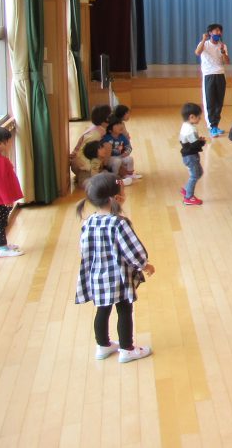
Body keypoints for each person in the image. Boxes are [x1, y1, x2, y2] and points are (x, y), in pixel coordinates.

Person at [75, 173, 155, 363]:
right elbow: (133, 250)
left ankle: (102, 345)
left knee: (102, 310)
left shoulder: (89, 222)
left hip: (97, 275)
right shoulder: (119, 223)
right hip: (117, 276)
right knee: (124, 311)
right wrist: (144, 264)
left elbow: (84, 248)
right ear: (117, 199)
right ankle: (127, 349)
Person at [0, 127, 24, 257]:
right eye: (7, 141)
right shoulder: (0, 161)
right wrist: (7, 200)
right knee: (0, 223)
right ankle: (2, 247)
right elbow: (0, 182)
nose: (9, 144)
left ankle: (1, 245)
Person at [195, 23, 230, 137]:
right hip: (209, 75)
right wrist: (203, 39)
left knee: (219, 102)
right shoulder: (204, 44)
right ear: (210, 33)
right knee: (210, 101)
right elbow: (197, 52)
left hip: (220, 75)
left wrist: (223, 52)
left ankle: (216, 125)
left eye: (220, 31)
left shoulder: (223, 45)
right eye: (216, 31)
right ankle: (211, 126)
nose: (218, 33)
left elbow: (227, 62)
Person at [70, 104, 111, 177]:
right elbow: (82, 153)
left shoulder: (97, 129)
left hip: (87, 165)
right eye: (109, 116)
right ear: (105, 119)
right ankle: (119, 181)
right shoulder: (95, 135)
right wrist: (88, 167)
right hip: (82, 166)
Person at [179, 102, 206, 206]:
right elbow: (194, 145)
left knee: (199, 173)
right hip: (191, 156)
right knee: (195, 175)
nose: (200, 119)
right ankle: (188, 197)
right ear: (192, 117)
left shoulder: (185, 125)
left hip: (188, 155)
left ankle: (186, 189)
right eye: (199, 117)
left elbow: (190, 141)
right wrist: (202, 142)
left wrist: (198, 140)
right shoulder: (191, 129)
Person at [111, 105, 143, 179]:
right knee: (118, 161)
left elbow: (126, 141)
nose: (129, 115)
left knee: (128, 159)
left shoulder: (121, 126)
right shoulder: (113, 132)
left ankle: (128, 174)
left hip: (122, 149)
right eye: (127, 113)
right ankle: (116, 177)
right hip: (116, 152)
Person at [102, 115, 136, 184]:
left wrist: (126, 153)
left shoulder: (122, 137)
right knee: (117, 161)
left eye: (120, 123)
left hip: (120, 156)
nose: (120, 126)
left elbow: (129, 147)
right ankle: (115, 177)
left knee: (130, 159)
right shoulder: (106, 138)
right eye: (117, 124)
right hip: (111, 158)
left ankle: (129, 175)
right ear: (110, 130)